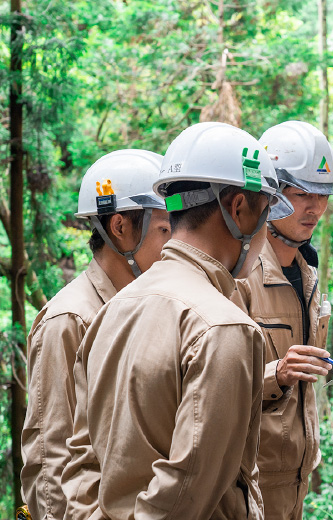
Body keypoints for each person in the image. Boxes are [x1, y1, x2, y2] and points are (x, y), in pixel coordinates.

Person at [61, 122, 292, 519]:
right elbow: (189, 487)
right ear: (238, 209)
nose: (265, 234)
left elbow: (81, 455)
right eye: (266, 213)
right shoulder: (223, 327)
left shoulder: (112, 309)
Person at [21, 150, 170, 520]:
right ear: (120, 228)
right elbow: (49, 454)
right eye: (165, 230)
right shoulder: (70, 320)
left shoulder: (146, 306)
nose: (174, 246)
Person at [236, 120, 333, 519]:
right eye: (302, 195)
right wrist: (276, 375)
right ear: (272, 194)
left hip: (298, 476)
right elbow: (207, 385)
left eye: (323, 195)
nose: (315, 207)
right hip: (249, 480)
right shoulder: (239, 276)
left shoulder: (308, 272)